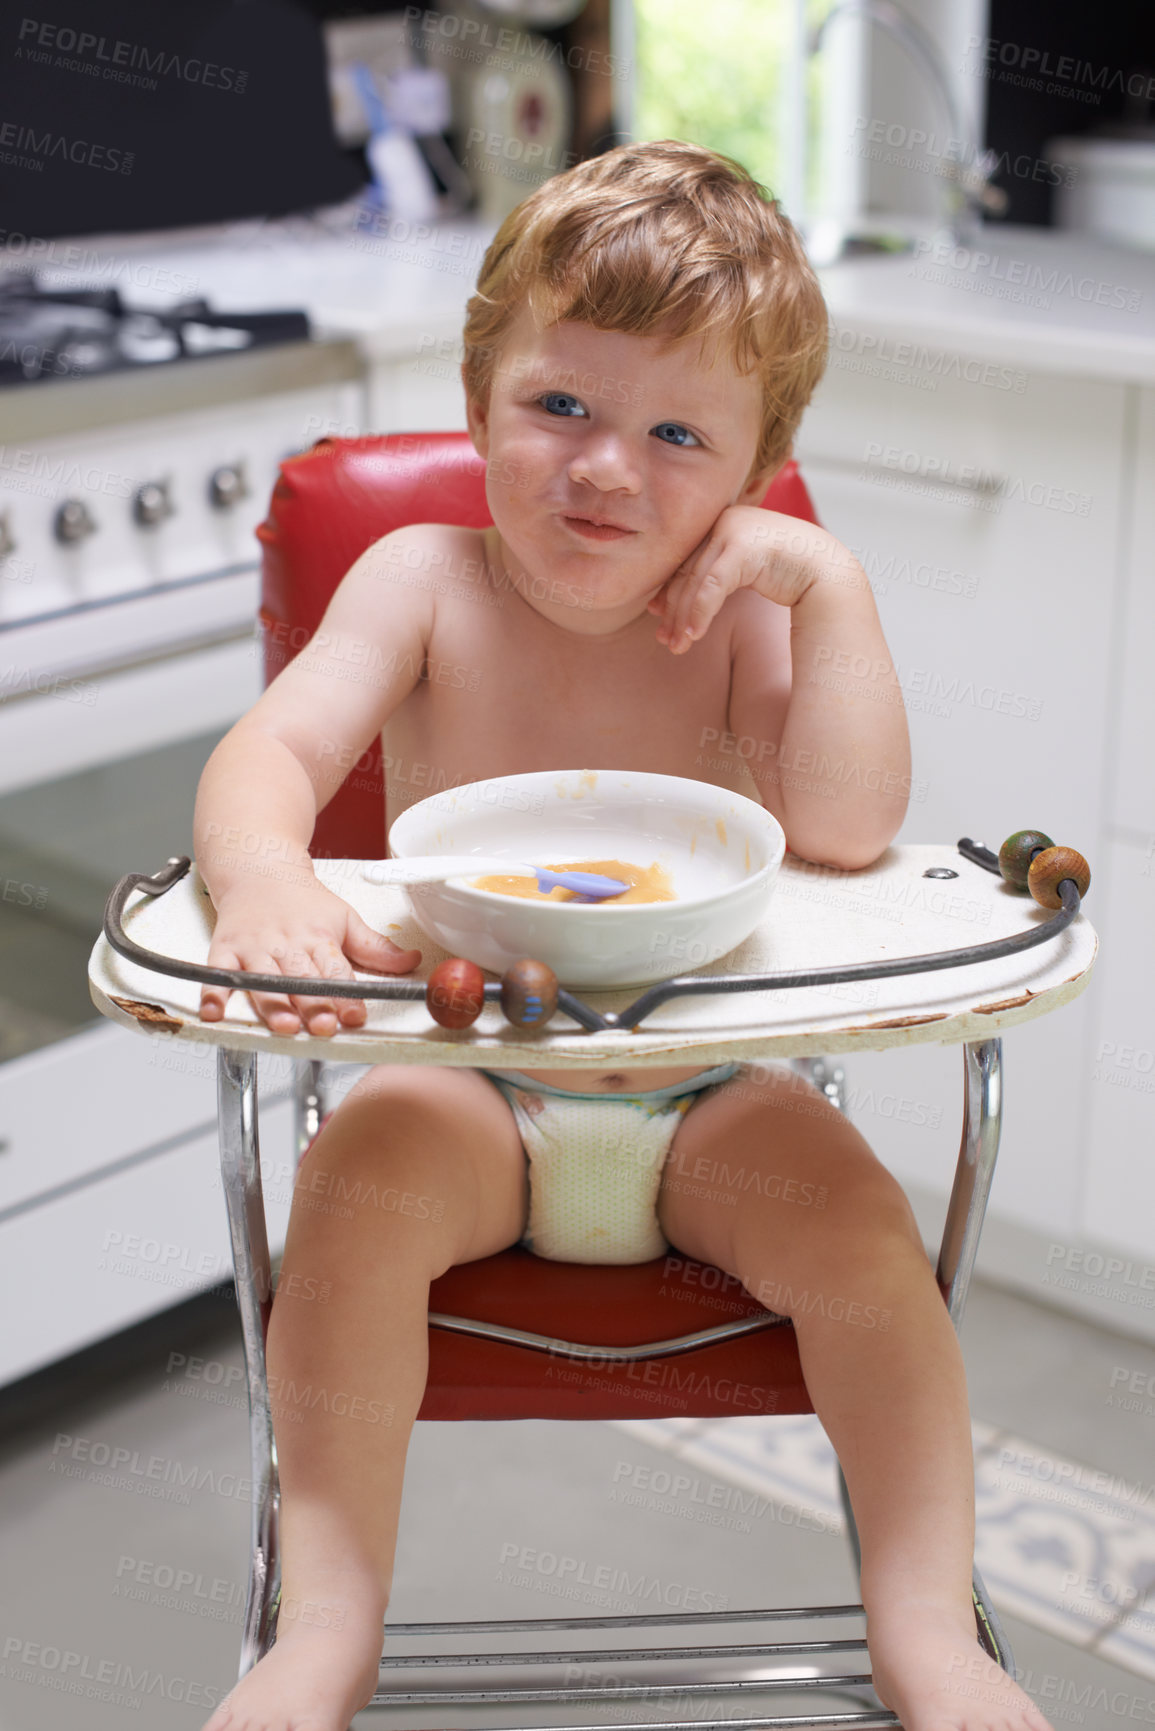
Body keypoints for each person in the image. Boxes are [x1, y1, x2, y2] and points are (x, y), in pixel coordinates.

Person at [194, 140, 1051, 1731]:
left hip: (708, 1091)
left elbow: (850, 829)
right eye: (561, 408)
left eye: (677, 435)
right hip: (471, 1083)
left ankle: (930, 1630)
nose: (606, 469)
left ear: (747, 471)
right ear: (478, 397)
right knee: (351, 1193)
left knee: (873, 1250)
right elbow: (271, 758)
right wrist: (264, 877)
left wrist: (832, 589)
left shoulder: (738, 622)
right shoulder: (420, 581)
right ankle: (327, 1625)